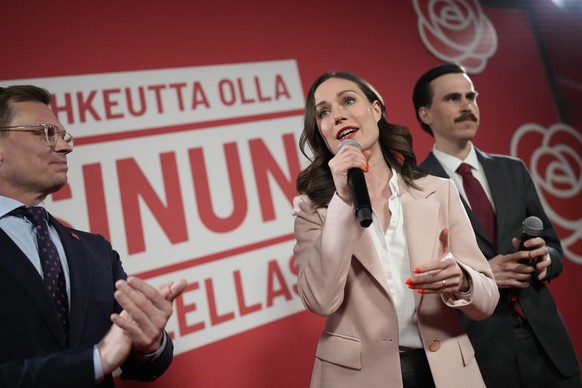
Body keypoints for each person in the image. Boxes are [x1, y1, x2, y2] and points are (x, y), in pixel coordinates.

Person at [292, 71, 499, 388]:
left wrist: (462, 280)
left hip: (447, 372)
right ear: (321, 131)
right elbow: (320, 300)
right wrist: (343, 202)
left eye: (348, 100)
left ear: (375, 110)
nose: (338, 115)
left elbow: (487, 301)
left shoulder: (438, 191)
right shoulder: (314, 209)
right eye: (323, 112)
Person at [0, 84, 188, 387]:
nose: (65, 146)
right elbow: (103, 355)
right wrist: (96, 360)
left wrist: (150, 343)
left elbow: (139, 359)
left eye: (63, 135)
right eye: (46, 132)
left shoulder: (95, 251)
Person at [413, 63, 581, 388]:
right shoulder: (415, 190)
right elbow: (423, 284)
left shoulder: (512, 170)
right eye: (452, 98)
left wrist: (546, 258)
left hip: (549, 348)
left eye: (470, 96)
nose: (467, 106)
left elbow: (554, 248)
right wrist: (482, 275)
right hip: (483, 355)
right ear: (425, 114)